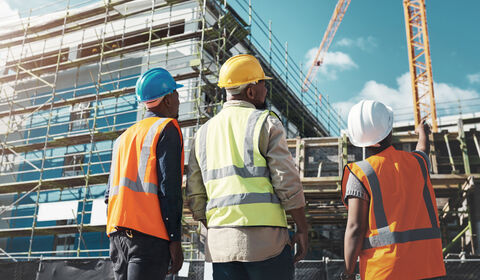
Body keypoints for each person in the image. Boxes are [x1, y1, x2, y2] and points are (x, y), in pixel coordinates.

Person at [186, 54, 308, 280]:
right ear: (250, 91)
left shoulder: (202, 134)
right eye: (263, 84)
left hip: (221, 248)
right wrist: (302, 228)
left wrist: (217, 230)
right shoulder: (265, 122)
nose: (266, 90)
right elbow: (286, 181)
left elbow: (195, 193)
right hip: (266, 244)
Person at [340, 100, 446, 280]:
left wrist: (348, 272)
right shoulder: (417, 164)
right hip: (428, 267)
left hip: (383, 271)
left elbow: (355, 228)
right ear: (390, 130)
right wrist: (423, 133)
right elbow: (422, 150)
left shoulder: (360, 173)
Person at [105, 67, 184, 280]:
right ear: (167, 99)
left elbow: (108, 195)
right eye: (176, 93)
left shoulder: (123, 138)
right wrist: (175, 239)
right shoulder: (167, 127)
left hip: (117, 236)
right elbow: (170, 188)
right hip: (149, 236)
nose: (179, 99)